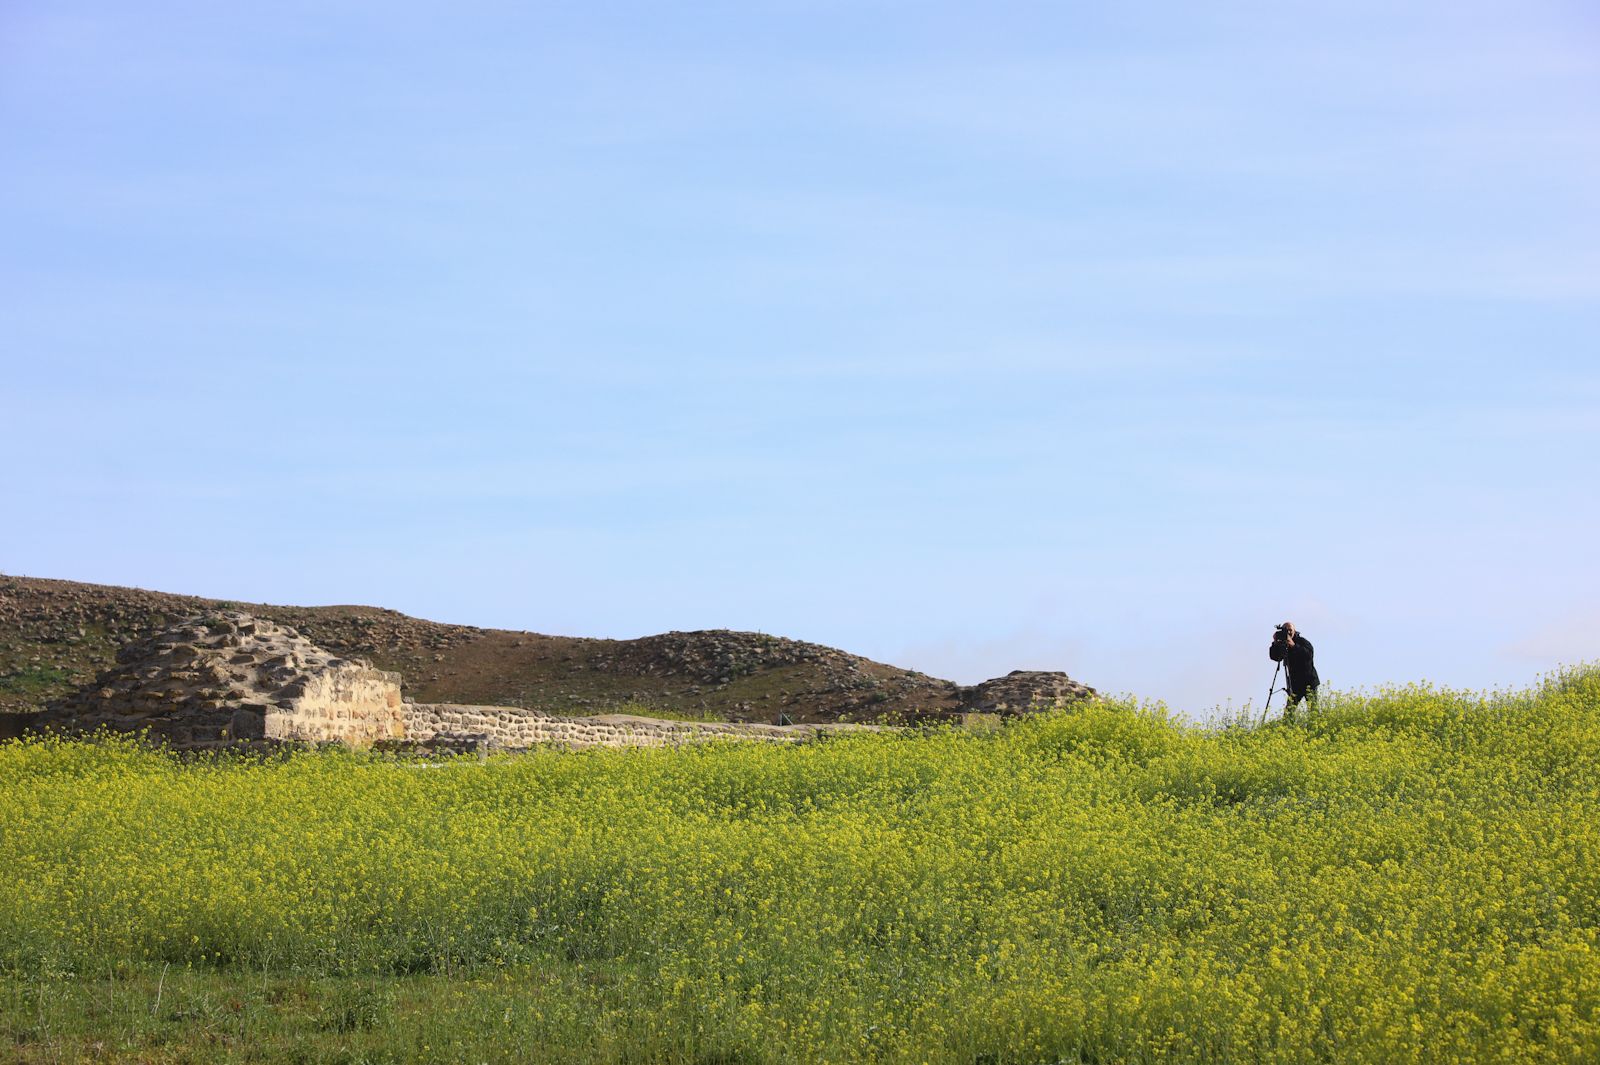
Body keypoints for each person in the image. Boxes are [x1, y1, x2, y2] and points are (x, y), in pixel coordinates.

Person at [1269, 622, 1319, 716]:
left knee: (1313, 711)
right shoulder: (1283, 644)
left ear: (1294, 631)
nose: (1288, 632)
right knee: (1289, 713)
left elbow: (1308, 655)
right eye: (1286, 630)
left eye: (1290, 630)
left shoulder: (1302, 641)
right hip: (1295, 683)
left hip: (1309, 682)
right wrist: (1275, 643)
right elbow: (1275, 657)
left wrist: (1293, 645)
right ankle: (1287, 728)